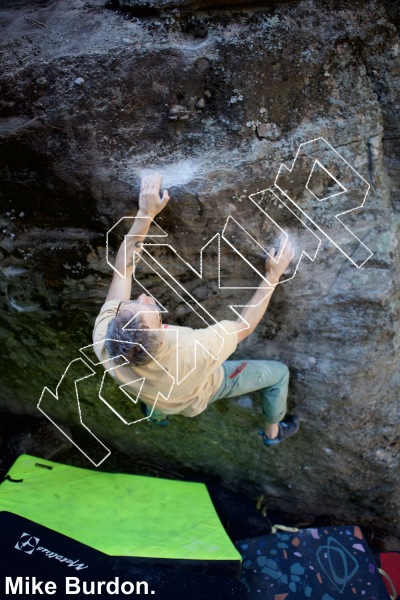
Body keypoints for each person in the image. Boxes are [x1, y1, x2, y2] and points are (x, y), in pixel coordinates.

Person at [93, 172, 299, 446]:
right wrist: (272, 277)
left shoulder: (105, 340)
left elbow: (123, 272)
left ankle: (156, 416)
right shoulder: (195, 349)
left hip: (152, 392)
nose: (142, 296)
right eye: (149, 308)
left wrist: (145, 213)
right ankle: (273, 433)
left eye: (132, 303)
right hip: (200, 392)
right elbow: (245, 326)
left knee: (154, 399)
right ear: (163, 333)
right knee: (279, 373)